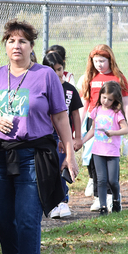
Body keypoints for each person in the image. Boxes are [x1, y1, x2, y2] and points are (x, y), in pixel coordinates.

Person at [0, 19, 78, 254]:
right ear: (5, 46)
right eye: (11, 41)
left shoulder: (46, 75)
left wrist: (70, 154)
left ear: (31, 46)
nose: (16, 46)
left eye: (22, 41)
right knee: (1, 213)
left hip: (33, 155)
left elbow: (60, 116)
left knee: (27, 213)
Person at [77, 44, 128, 211]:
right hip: (94, 120)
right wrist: (78, 128)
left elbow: (126, 103)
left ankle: (112, 196)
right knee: (94, 159)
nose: (99, 64)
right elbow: (85, 103)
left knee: (110, 162)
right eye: (96, 61)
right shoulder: (90, 77)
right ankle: (98, 197)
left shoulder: (118, 77)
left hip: (113, 122)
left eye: (102, 61)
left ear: (110, 60)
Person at [42, 51, 83, 219]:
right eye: (52, 70)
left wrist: (77, 137)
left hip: (63, 138)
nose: (57, 73)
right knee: (48, 170)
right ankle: (51, 203)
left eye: (59, 69)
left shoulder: (70, 89)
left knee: (62, 167)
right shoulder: (42, 89)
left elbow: (75, 115)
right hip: (46, 137)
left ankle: (63, 200)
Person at [81, 81, 128, 215]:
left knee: (112, 181)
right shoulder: (96, 110)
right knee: (101, 180)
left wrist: (113, 132)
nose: (106, 101)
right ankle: (103, 207)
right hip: (98, 151)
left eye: (110, 99)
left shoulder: (116, 113)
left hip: (112, 152)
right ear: (100, 95)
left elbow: (125, 129)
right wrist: (81, 141)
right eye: (104, 97)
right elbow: (93, 130)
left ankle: (116, 200)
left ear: (115, 100)